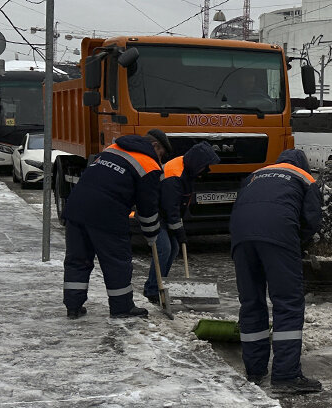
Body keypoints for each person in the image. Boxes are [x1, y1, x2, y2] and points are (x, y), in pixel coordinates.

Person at [229, 148, 324, 393]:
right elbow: (311, 220)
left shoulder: (254, 176)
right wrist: (297, 245)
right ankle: (285, 376)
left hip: (240, 237)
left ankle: (255, 370)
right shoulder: (305, 178)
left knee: (251, 301)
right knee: (288, 302)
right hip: (278, 234)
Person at [61, 132, 168, 319]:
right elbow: (147, 207)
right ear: (155, 145)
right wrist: (152, 235)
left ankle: (73, 306)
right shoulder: (149, 165)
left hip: (76, 207)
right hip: (107, 214)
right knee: (117, 262)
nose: (161, 159)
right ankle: (122, 307)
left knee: (78, 260)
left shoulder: (113, 149)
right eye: (162, 153)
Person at [144, 140, 220, 303]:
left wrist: (178, 230)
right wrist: (180, 232)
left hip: (165, 213)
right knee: (164, 248)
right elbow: (170, 208)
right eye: (204, 166)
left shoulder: (187, 170)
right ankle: (152, 289)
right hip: (153, 212)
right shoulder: (175, 175)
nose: (205, 171)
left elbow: (178, 206)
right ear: (197, 162)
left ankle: (160, 285)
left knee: (174, 248)